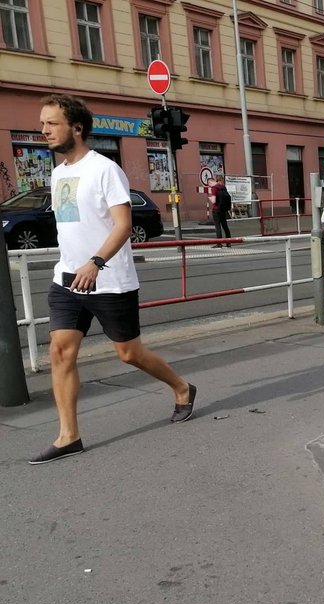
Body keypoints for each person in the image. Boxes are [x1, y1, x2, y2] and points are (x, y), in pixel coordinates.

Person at [30, 94, 196, 465]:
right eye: (42, 123)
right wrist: (75, 265)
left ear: (76, 127)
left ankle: (182, 387)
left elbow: (124, 225)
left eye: (51, 123)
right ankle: (68, 435)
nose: (44, 130)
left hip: (108, 279)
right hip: (68, 278)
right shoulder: (58, 173)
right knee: (60, 351)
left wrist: (95, 262)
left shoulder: (104, 169)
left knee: (128, 354)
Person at [209, 176, 232, 245]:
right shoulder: (223, 187)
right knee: (225, 226)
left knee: (218, 226)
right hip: (223, 209)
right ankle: (229, 242)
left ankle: (219, 243)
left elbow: (213, 201)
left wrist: (210, 198)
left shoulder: (214, 188)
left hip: (216, 210)